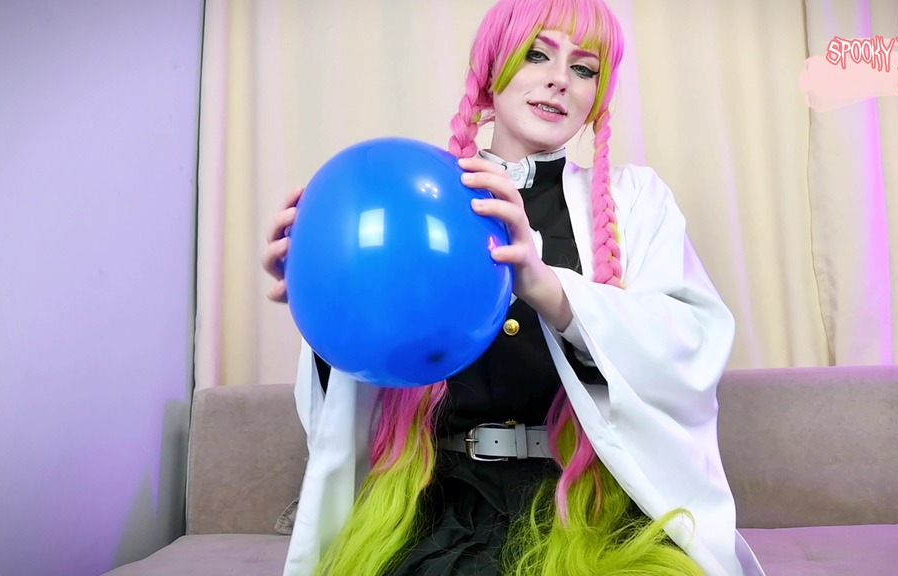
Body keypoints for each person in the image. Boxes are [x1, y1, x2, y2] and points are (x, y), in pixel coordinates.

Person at [262, 1, 764, 574]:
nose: (560, 79)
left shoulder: (638, 201)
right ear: (491, 69)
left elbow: (691, 350)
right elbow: (357, 395)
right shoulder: (418, 196)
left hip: (588, 507)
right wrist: (322, 308)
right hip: (440, 505)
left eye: (584, 68)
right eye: (537, 55)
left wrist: (549, 288)